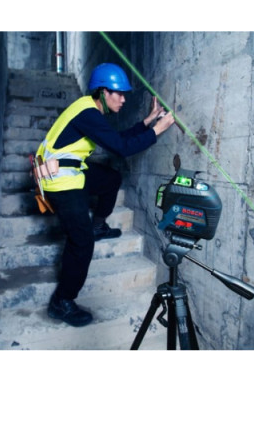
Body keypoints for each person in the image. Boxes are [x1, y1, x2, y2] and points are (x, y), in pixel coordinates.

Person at [36, 63, 175, 327]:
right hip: (60, 183)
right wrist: (158, 130)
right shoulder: (88, 113)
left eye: (124, 94)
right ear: (102, 92)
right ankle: (62, 301)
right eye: (118, 93)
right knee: (81, 242)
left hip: (72, 173)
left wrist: (147, 123)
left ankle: (98, 225)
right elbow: (121, 148)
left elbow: (116, 139)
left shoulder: (89, 110)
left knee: (111, 178)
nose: (123, 99)